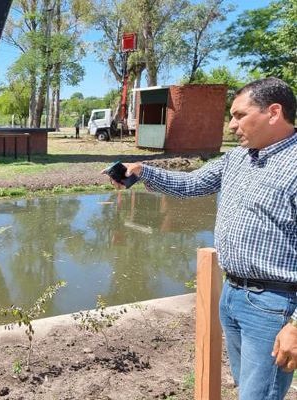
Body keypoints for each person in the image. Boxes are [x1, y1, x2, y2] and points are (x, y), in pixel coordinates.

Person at [107, 77, 297, 400]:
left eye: (239, 115)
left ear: (274, 112)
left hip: (274, 307)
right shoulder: (236, 158)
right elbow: (191, 184)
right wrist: (141, 171)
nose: (231, 125)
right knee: (247, 389)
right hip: (233, 297)